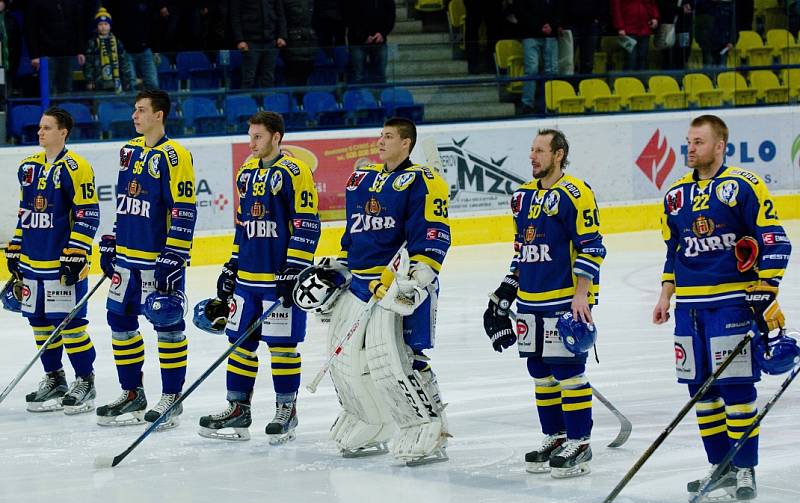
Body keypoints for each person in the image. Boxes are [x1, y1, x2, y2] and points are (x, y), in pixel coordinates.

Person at [653, 115, 792, 502]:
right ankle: (722, 467)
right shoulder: (675, 194)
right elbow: (673, 250)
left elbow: (775, 241)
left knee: (736, 390)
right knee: (701, 392)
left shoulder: (744, 186)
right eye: (688, 142)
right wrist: (666, 294)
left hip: (730, 304)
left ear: (720, 146)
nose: (690, 149)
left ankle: (744, 467)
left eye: (699, 142)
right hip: (689, 309)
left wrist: (766, 287)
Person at [299, 117, 451, 465]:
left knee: (400, 359)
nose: (380, 142)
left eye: (389, 137)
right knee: (346, 359)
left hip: (395, 281)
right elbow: (354, 233)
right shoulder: (364, 179)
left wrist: (420, 272)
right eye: (380, 136)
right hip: (360, 282)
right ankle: (369, 417)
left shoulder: (421, 181)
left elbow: (432, 230)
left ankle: (429, 423)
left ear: (407, 143)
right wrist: (340, 267)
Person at [483, 129, 605, 478]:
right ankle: (555, 436)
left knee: (569, 373)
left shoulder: (576, 193)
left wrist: (581, 296)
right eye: (531, 150)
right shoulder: (521, 198)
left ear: (559, 154)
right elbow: (522, 250)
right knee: (540, 374)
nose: (532, 156)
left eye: (540, 151)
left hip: (564, 302)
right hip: (531, 302)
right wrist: (506, 291)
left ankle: (580, 442)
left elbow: (592, 246)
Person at [197, 111, 320, 443]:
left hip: (277, 278)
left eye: (258, 137)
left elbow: (308, 223)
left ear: (276, 137)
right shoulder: (246, 172)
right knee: (239, 346)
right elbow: (243, 227)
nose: (251, 143)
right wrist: (232, 265)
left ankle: (286, 409)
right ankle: (238, 408)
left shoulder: (295, 172)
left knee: (282, 349)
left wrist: (294, 270)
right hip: (247, 282)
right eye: (250, 136)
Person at [95, 89, 197, 429]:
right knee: (119, 324)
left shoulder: (174, 155)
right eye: (134, 110)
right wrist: (111, 239)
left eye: (141, 110)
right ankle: (131, 393)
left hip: (158, 261)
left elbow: (184, 209)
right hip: (126, 260)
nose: (134, 116)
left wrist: (175, 255)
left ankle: (171, 398)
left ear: (159, 115)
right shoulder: (128, 151)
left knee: (167, 325)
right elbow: (125, 201)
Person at [5, 107, 100, 414]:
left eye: (47, 128)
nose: (40, 132)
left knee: (69, 326)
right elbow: (26, 212)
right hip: (33, 262)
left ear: (63, 132)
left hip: (62, 266)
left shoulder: (76, 167)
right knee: (40, 324)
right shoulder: (28, 167)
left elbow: (88, 214)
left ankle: (85, 380)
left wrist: (75, 253)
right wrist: (16, 246)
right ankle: (54, 378)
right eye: (40, 127)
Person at [508, 0, 560, 114]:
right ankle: (528, 104)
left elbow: (560, 7)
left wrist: (552, 25)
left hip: (550, 34)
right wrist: (538, 27)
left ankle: (551, 103)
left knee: (551, 70)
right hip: (530, 34)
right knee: (531, 69)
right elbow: (520, 11)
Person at [230, 0, 287, 88]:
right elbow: (235, 17)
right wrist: (240, 40)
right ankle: (247, 101)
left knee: (269, 77)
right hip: (250, 41)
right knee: (248, 78)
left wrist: (282, 36)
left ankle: (268, 101)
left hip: (271, 40)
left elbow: (281, 15)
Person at [83, 8, 136, 93]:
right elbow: (89, 64)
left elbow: (124, 62)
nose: (103, 27)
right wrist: (89, 81)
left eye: (106, 24)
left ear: (110, 26)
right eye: (100, 24)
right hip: (98, 82)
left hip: (117, 82)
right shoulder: (92, 43)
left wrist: (127, 79)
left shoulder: (117, 42)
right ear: (96, 27)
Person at [344, 0, 395, 84]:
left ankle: (378, 96)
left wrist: (383, 33)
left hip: (379, 41)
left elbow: (390, 14)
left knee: (380, 75)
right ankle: (360, 97)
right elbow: (348, 16)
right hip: (357, 42)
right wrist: (363, 35)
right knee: (358, 76)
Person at [610, 0, 659, 71]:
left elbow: (651, 3)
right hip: (627, 30)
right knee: (631, 59)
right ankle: (628, 81)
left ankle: (642, 80)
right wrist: (619, 27)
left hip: (644, 28)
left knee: (643, 58)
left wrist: (654, 17)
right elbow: (615, 9)